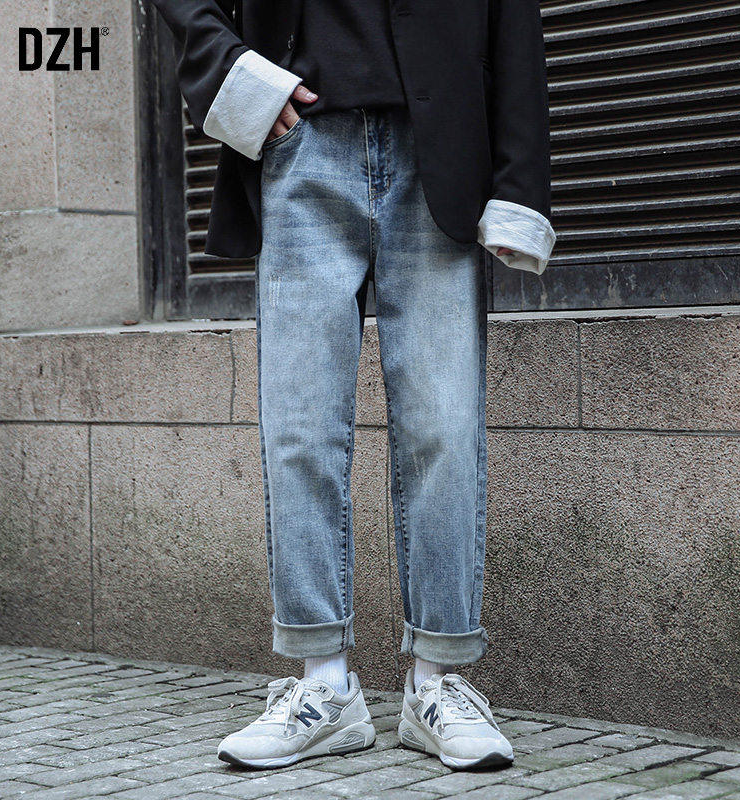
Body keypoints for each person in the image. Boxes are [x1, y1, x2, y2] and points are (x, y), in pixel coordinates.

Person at [150, 0, 555, 771]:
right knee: (299, 429)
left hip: (440, 149)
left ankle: (438, 685)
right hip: (302, 141)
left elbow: (514, 15)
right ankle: (324, 687)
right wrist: (226, 65)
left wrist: (520, 176)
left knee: (444, 427)